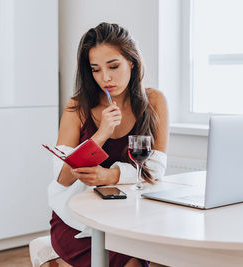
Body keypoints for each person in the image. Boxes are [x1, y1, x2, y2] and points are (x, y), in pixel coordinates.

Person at [48, 22, 169, 267]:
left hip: (129, 216)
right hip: (77, 220)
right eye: (95, 69)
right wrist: (101, 134)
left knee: (149, 258)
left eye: (113, 66)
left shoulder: (154, 101)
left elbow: (155, 170)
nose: (106, 78)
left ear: (131, 62)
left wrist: (111, 176)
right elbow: (63, 178)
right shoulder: (77, 107)